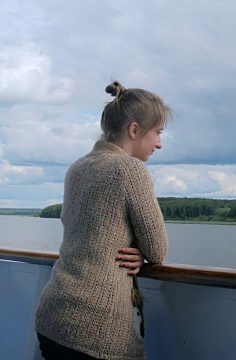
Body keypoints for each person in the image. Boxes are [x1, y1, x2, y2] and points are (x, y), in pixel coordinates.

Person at [35, 80, 171, 359]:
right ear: (134, 130)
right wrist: (143, 254)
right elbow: (158, 250)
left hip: (53, 317)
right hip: (97, 331)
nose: (159, 143)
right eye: (157, 132)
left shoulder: (78, 167)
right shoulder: (131, 170)